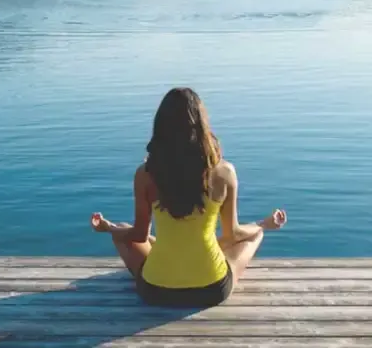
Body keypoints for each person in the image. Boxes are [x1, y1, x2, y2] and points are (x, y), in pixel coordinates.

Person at [90, 87, 287, 307]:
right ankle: (261, 229)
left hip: (156, 290)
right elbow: (233, 234)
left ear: (160, 126)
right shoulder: (225, 173)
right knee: (253, 236)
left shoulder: (145, 174)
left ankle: (153, 248)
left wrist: (108, 228)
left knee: (121, 232)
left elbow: (138, 235)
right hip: (212, 289)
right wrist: (263, 224)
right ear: (202, 125)